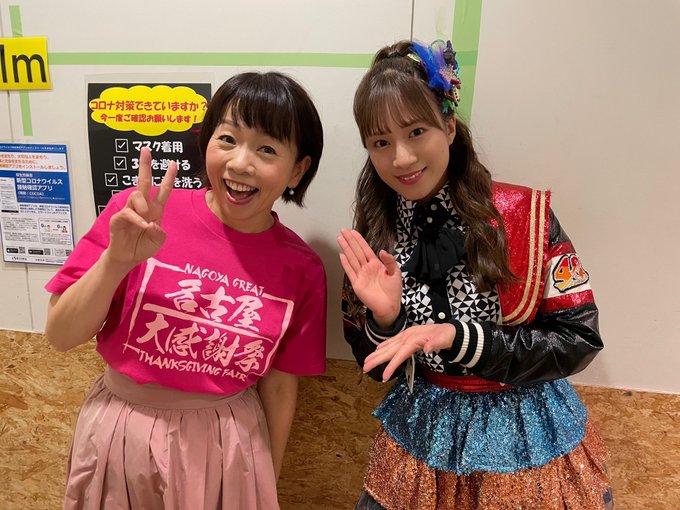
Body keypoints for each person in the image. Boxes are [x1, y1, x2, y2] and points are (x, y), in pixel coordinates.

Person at [338, 39, 613, 510]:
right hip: (421, 434)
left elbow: (580, 338)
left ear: (448, 126)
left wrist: (459, 337)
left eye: (416, 131)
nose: (401, 158)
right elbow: (375, 368)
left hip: (526, 438)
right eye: (381, 142)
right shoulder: (375, 235)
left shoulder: (524, 217)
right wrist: (386, 320)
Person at [45, 71, 327, 510]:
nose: (240, 164)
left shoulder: (302, 268)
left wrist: (266, 479)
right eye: (228, 139)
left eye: (267, 149)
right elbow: (60, 336)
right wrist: (116, 261)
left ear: (298, 170)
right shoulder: (137, 216)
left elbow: (279, 384)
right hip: (121, 431)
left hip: (228, 442)